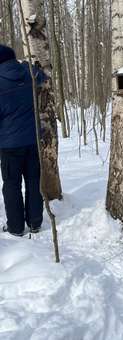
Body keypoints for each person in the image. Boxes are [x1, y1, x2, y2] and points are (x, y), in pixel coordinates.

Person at [0, 44, 46, 237]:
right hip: (33, 139)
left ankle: (16, 227)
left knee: (11, 185)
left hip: (9, 145)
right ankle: (35, 222)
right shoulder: (28, 74)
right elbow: (42, 76)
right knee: (34, 181)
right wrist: (28, 65)